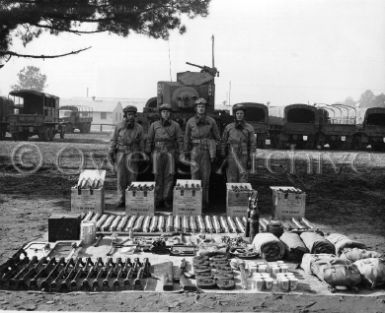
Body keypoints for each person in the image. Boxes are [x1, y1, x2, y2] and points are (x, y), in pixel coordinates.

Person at [184, 97, 220, 210]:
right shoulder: (190, 121)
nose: (201, 109)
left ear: (205, 108)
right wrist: (186, 151)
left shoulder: (211, 121)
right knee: (194, 177)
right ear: (196, 108)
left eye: (203, 107)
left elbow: (217, 137)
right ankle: (194, 202)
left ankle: (205, 202)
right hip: (194, 151)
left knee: (205, 178)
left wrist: (213, 148)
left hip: (206, 152)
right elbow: (186, 138)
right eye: (199, 107)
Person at [146, 103, 183, 210]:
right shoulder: (154, 125)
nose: (166, 114)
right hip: (157, 152)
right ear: (160, 113)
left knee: (169, 176)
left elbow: (180, 139)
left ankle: (167, 199)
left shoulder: (175, 125)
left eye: (167, 112)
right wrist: (148, 152)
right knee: (157, 175)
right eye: (163, 112)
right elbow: (149, 139)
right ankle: (158, 199)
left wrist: (180, 153)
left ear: (170, 114)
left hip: (170, 152)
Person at [109, 105, 145, 208]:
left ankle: (131, 199)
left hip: (133, 155)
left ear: (135, 116)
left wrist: (142, 155)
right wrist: (111, 151)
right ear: (125, 115)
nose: (131, 117)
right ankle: (121, 199)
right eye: (129, 114)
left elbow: (142, 142)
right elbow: (114, 140)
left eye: (133, 115)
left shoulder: (139, 128)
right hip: (121, 154)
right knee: (121, 177)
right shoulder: (119, 126)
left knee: (132, 178)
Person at [221, 103, 256, 183]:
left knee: (243, 177)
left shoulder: (249, 128)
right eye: (237, 113)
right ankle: (232, 195)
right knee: (231, 178)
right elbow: (223, 141)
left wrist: (251, 159)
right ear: (234, 115)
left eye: (241, 113)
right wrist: (223, 154)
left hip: (244, 155)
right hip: (231, 154)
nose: (239, 115)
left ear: (244, 115)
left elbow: (253, 144)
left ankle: (242, 195)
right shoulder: (229, 127)